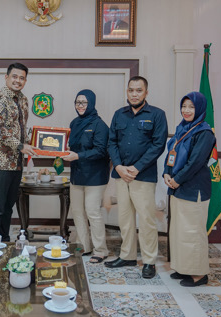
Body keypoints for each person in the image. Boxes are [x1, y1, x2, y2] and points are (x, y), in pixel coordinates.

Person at [104, 76, 168, 279]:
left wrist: (137, 167)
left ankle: (149, 261)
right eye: (131, 90)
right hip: (121, 175)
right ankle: (128, 255)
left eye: (138, 90)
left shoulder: (157, 115)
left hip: (143, 176)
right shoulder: (118, 115)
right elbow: (111, 142)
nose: (134, 94)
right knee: (125, 219)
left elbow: (158, 145)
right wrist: (120, 167)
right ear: (127, 92)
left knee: (147, 220)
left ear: (146, 93)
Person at [164, 92, 215, 287]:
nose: (186, 110)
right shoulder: (182, 128)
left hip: (194, 189)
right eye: (184, 106)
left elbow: (195, 162)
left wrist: (177, 179)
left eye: (191, 107)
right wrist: (166, 174)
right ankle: (184, 268)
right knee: (179, 232)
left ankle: (199, 274)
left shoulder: (204, 132)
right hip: (178, 188)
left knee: (193, 233)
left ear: (200, 109)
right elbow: (171, 153)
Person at [0, 62, 37, 241]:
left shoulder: (23, 99)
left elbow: (21, 130)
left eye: (22, 78)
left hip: (16, 163)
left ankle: (4, 241)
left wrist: (36, 141)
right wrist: (21, 146)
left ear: (25, 81)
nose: (18, 81)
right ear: (6, 77)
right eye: (14, 77)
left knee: (8, 207)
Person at [62, 89, 110, 263]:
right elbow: (71, 145)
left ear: (91, 103)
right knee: (77, 211)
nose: (80, 106)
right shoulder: (74, 123)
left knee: (92, 211)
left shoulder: (100, 125)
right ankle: (84, 245)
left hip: (95, 175)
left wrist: (78, 156)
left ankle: (100, 249)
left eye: (84, 102)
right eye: (77, 102)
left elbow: (101, 151)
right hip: (77, 173)